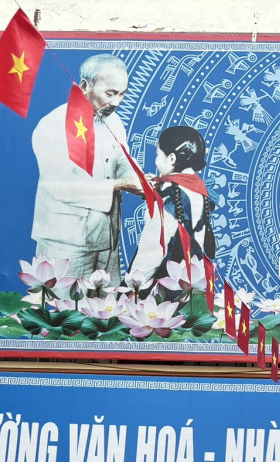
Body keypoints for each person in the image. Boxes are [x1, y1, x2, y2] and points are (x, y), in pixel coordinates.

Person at [30, 53, 140, 278]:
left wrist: (138, 180)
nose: (116, 103)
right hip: (65, 242)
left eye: (122, 94)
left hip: (107, 237)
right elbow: (58, 186)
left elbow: (123, 159)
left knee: (109, 300)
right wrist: (120, 184)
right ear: (84, 86)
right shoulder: (53, 124)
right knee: (65, 300)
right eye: (110, 93)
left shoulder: (114, 121)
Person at [126, 125, 216, 296]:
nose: (156, 160)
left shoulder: (169, 197)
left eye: (158, 154)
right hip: (192, 283)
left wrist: (134, 288)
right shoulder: (201, 190)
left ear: (172, 158)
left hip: (163, 289)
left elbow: (152, 251)